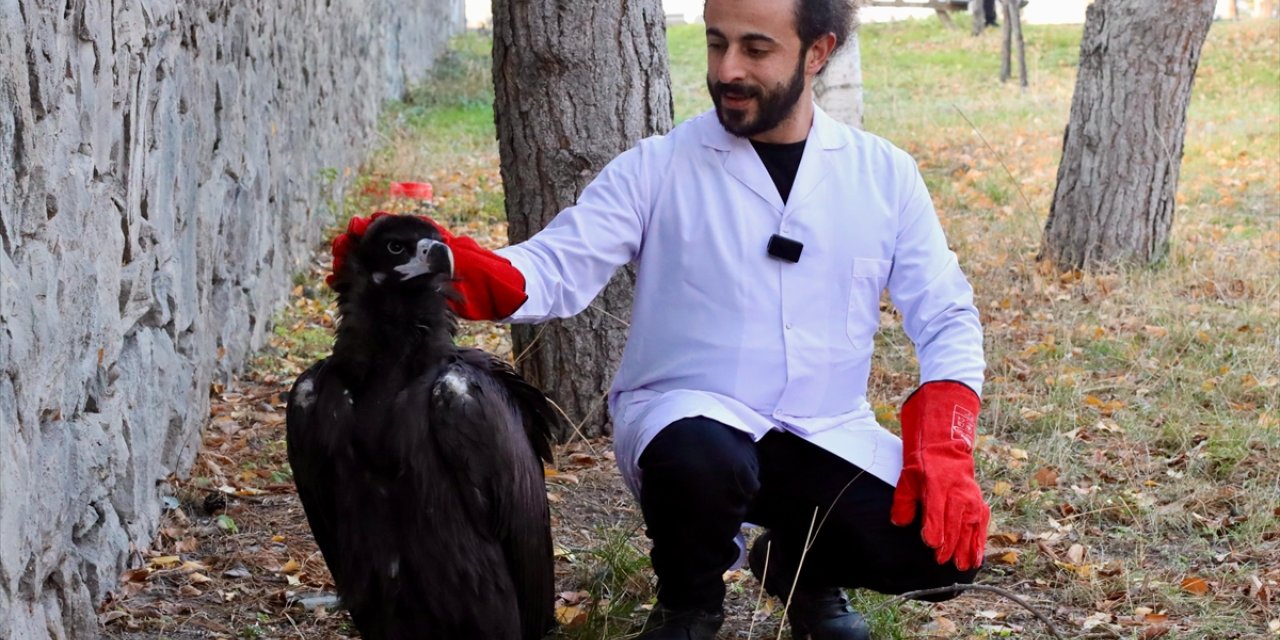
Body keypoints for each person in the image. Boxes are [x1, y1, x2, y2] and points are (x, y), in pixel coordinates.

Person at [332, 0, 989, 637]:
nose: (727, 68)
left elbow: (946, 314)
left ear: (818, 52)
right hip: (690, 420)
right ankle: (689, 607)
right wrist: (444, 263)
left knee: (940, 550)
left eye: (755, 49)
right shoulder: (658, 167)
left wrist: (946, 442)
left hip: (824, 429)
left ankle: (797, 570)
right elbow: (552, 270)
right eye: (715, 41)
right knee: (703, 458)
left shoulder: (883, 176)